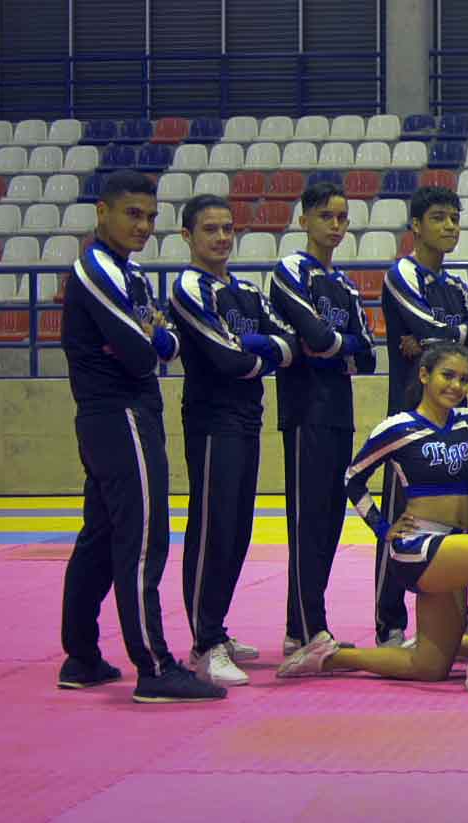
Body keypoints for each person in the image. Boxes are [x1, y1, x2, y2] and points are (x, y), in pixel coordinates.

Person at [277, 343, 468, 692]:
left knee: (429, 666)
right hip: (420, 547)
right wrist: (383, 529)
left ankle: (331, 656)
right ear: (424, 375)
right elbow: (352, 477)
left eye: (464, 379)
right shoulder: (398, 427)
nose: (456, 386)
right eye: (447, 376)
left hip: (454, 548)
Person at [56, 169, 223, 703]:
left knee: (103, 537)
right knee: (143, 538)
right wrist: (152, 339)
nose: (144, 226)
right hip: (119, 413)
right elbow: (141, 350)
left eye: (151, 217)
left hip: (120, 411)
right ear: (101, 211)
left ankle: (81, 656)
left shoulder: (130, 274)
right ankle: (153, 666)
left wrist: (155, 339)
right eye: (132, 214)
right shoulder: (97, 270)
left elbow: (162, 340)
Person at [168, 193, 292, 687]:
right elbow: (227, 358)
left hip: (247, 416)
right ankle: (202, 642)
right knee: (211, 525)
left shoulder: (245, 290)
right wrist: (259, 351)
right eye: (210, 230)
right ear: (188, 236)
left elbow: (287, 341)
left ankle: (216, 625)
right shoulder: (189, 287)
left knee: (239, 526)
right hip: (212, 419)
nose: (221, 238)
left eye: (227, 229)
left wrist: (260, 349)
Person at [375, 185, 468, 647]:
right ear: (416, 226)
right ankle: (390, 623)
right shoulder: (401, 273)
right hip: (410, 417)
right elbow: (433, 331)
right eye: (439, 218)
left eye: (454, 219)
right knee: (401, 517)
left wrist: (438, 340)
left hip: (454, 418)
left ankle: (453, 611)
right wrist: (443, 338)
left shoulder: (456, 284)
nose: (449, 227)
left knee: (455, 514)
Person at [267, 181, 377, 656]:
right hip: (305, 409)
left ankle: (306, 626)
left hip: (338, 410)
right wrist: (338, 346)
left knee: (331, 520)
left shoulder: (346, 284)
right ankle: (307, 628)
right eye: (326, 217)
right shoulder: (292, 270)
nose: (335, 226)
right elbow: (313, 335)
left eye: (342, 218)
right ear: (304, 219)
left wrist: (333, 348)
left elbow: (369, 354)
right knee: (306, 520)